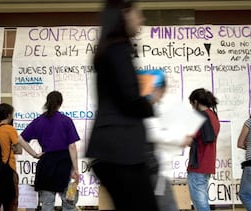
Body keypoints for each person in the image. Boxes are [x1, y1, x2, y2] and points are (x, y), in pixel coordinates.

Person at [85, 0, 159, 210]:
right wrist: (150, 103)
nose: (141, 19)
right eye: (138, 14)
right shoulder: (118, 50)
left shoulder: (107, 49)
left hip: (111, 149)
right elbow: (130, 99)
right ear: (124, 15)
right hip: (122, 151)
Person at [19, 91, 80, 211]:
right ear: (60, 103)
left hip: (46, 164)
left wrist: (35, 154)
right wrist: (76, 169)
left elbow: (20, 139)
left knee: (47, 204)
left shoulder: (39, 121)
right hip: (64, 165)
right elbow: (72, 146)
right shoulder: (66, 120)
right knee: (69, 203)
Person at [0, 103, 41, 211]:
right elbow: (19, 150)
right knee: (11, 201)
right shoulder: (9, 129)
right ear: (9, 115)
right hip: (8, 170)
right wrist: (34, 154)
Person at [142, 69, 178, 211]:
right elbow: (154, 134)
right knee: (168, 206)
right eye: (162, 89)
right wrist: (180, 138)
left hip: (147, 169)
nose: (163, 94)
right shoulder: (147, 108)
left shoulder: (145, 107)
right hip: (151, 170)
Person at [183, 88, 220, 211]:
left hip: (198, 165)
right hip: (208, 164)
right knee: (202, 199)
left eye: (192, 104)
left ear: (195, 102)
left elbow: (188, 139)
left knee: (200, 202)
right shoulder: (213, 116)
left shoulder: (199, 117)